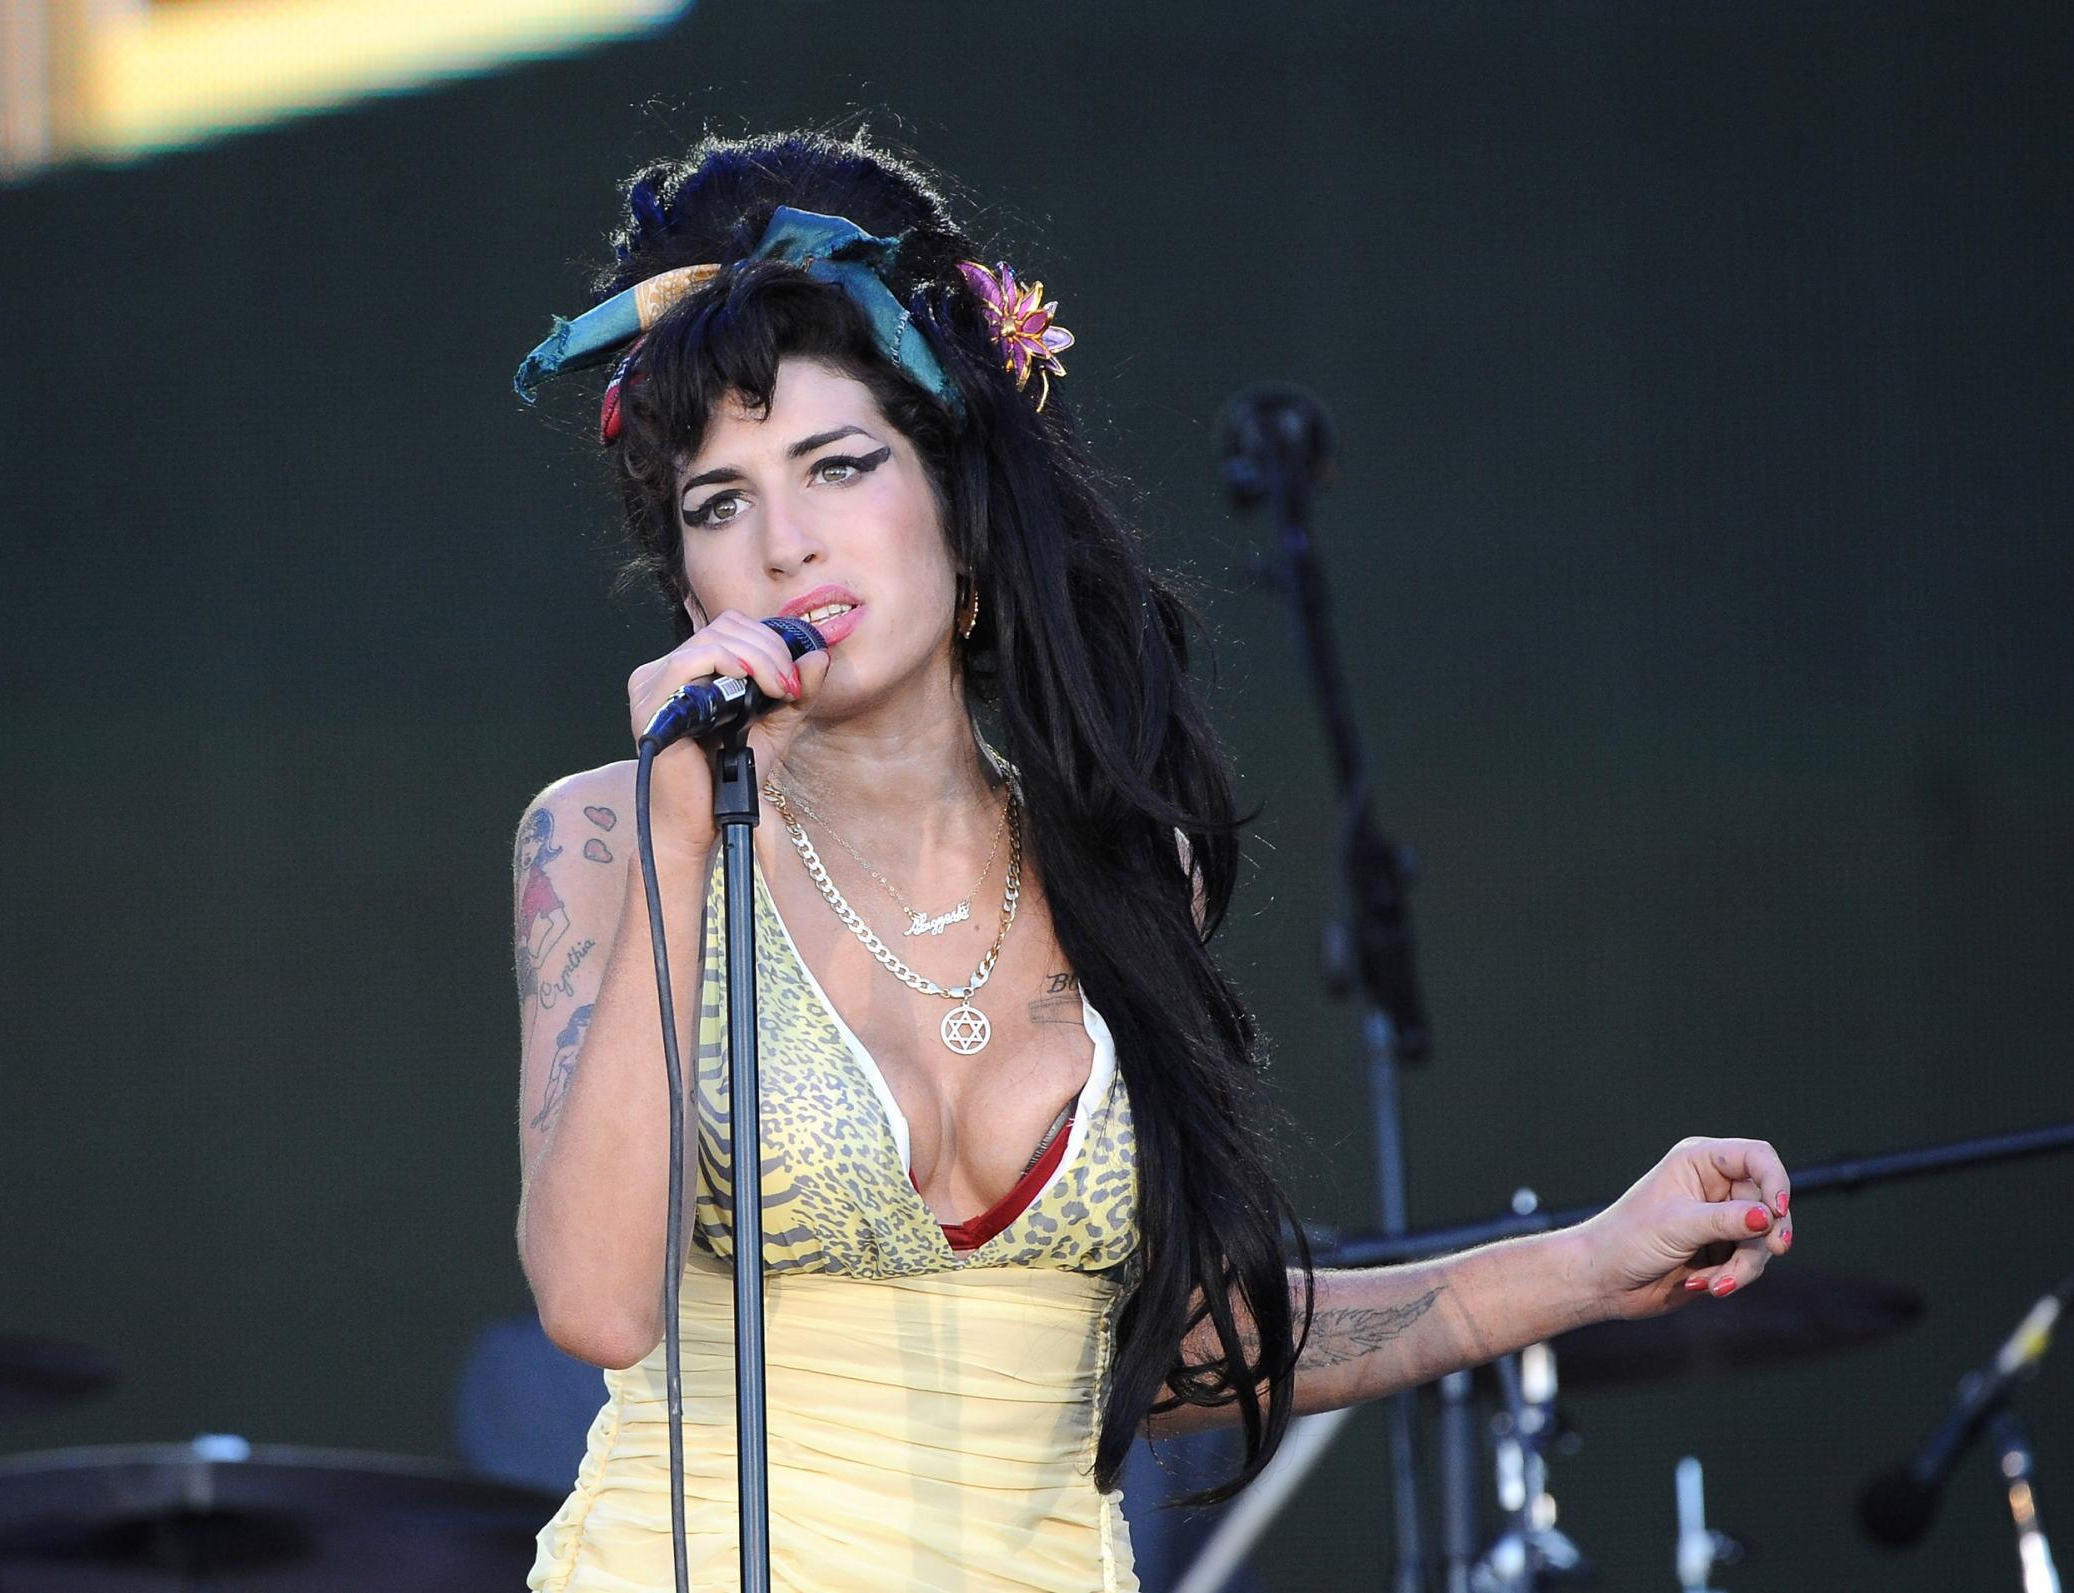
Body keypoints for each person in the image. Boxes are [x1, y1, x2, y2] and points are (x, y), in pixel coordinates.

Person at [507, 129, 1792, 1592]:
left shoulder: (1122, 865)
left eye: (838, 464)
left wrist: (1584, 1260)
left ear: (960, 502)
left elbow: (1185, 1353)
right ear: (685, 575)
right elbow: (598, 1303)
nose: (783, 544)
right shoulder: (612, 832)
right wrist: (687, 826)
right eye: (718, 503)